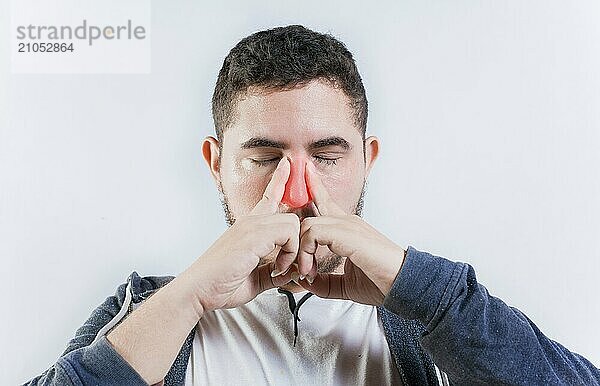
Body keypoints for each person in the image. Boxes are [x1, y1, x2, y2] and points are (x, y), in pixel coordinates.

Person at [25, 24, 599, 386]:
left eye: (327, 155)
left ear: (366, 160)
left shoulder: (432, 320)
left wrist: (421, 290)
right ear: (215, 164)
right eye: (263, 157)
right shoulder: (149, 311)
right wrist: (189, 296)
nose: (297, 193)